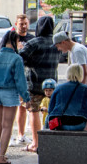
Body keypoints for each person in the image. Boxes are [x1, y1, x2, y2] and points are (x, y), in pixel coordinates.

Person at [0, 31, 30, 164]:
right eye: (18, 41)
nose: (20, 44)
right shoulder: (16, 58)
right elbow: (20, 81)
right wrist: (26, 98)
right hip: (10, 93)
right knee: (7, 126)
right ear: (14, 42)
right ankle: (2, 157)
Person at [19, 16, 61, 152]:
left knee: (34, 111)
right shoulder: (56, 43)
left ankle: (35, 143)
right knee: (53, 112)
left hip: (35, 83)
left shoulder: (34, 42)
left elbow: (20, 58)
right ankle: (51, 142)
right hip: (52, 82)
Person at [53, 31, 87, 130]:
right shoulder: (75, 50)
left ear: (63, 42)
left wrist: (80, 90)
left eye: (58, 46)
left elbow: (84, 72)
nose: (59, 49)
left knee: (86, 117)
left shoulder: (77, 51)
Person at [1, 14, 32, 145]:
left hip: (26, 75)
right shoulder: (10, 37)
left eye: (25, 23)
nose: (24, 26)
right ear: (16, 24)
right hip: (11, 76)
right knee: (9, 106)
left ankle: (21, 134)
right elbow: (1, 52)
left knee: (22, 106)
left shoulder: (31, 38)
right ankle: (7, 135)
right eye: (21, 24)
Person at [47, 64, 87, 131]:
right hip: (79, 123)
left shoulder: (59, 88)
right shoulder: (86, 89)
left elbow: (51, 108)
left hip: (60, 123)